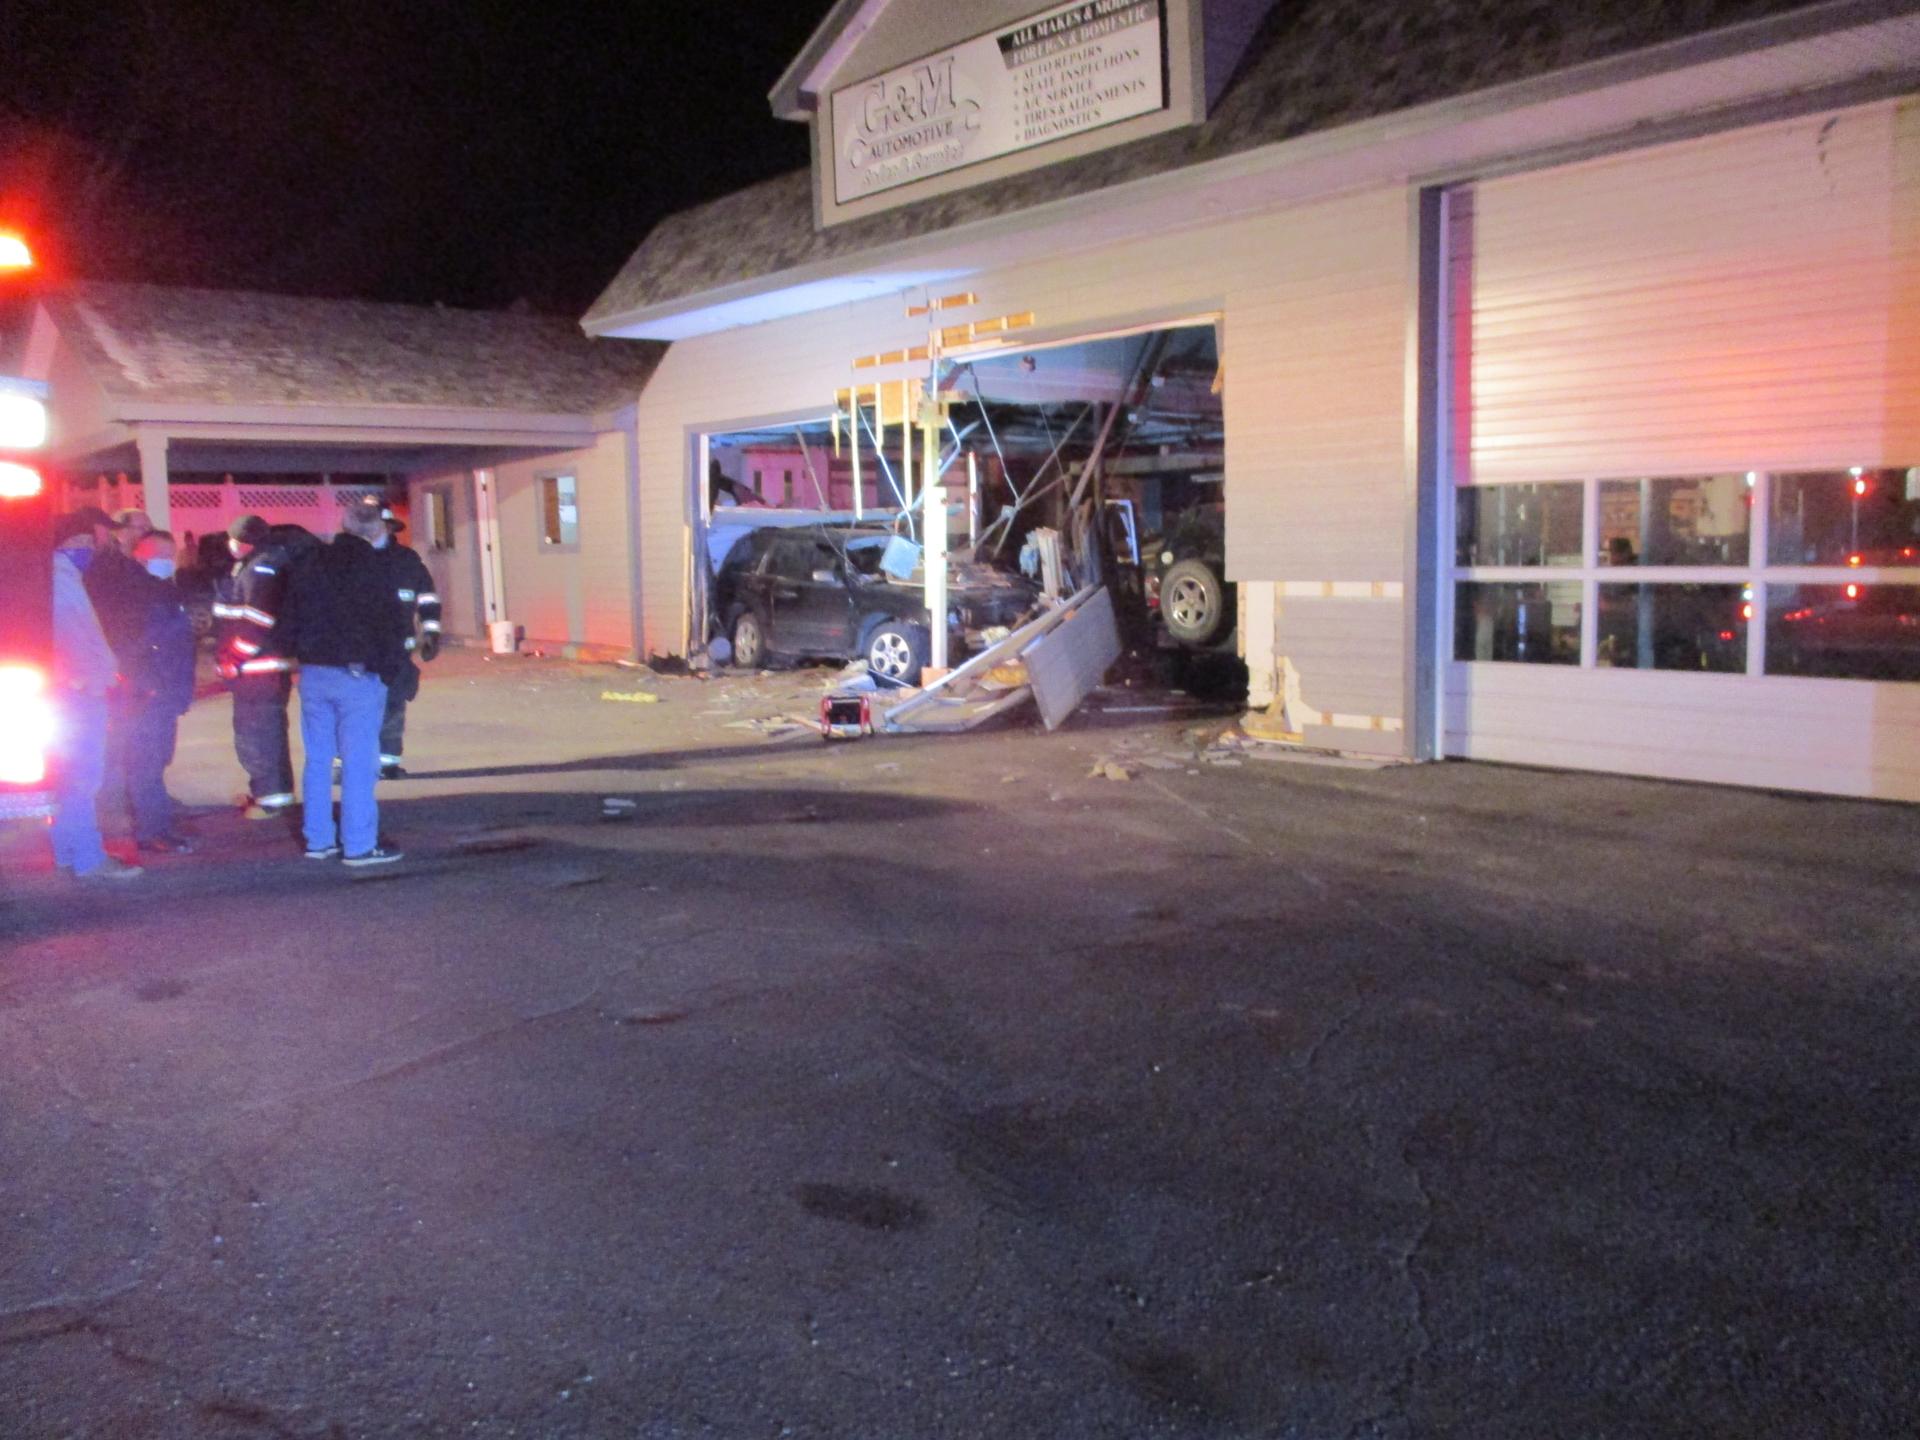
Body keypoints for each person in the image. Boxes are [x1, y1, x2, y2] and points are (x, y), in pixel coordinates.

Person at [283, 495, 411, 865]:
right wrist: (391, 670)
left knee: (318, 760)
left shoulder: (309, 561)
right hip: (357, 675)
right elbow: (392, 624)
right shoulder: (376, 566)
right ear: (376, 530)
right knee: (358, 762)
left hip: (313, 673)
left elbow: (288, 616)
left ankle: (318, 840)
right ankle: (359, 845)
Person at [49, 514, 143, 880]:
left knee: (70, 777)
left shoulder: (62, 576)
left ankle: (68, 849)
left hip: (73, 688)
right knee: (83, 777)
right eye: (83, 543)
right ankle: (88, 858)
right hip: (81, 691)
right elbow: (75, 636)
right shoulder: (61, 580)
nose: (88, 550)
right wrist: (92, 679)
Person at [110, 531, 198, 854]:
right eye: (161, 555)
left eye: (170, 555)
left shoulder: (161, 589)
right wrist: (151, 686)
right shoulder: (137, 591)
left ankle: (157, 826)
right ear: (141, 555)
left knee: (154, 762)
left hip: (162, 692)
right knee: (146, 764)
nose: (167, 561)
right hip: (149, 693)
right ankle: (152, 831)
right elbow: (141, 644)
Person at [213, 514, 296, 818]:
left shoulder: (259, 569)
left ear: (243, 541)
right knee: (265, 734)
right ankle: (268, 793)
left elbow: (257, 622)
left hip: (258, 669)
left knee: (259, 737)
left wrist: (233, 658)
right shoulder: (261, 564)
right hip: (263, 668)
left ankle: (271, 800)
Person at [376, 508, 442, 779]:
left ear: (392, 528)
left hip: (396, 650)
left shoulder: (407, 560)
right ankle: (344, 765)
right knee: (351, 712)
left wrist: (431, 633)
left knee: (393, 708)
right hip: (358, 652)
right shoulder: (348, 560)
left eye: (384, 525)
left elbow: (427, 598)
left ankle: (387, 763)